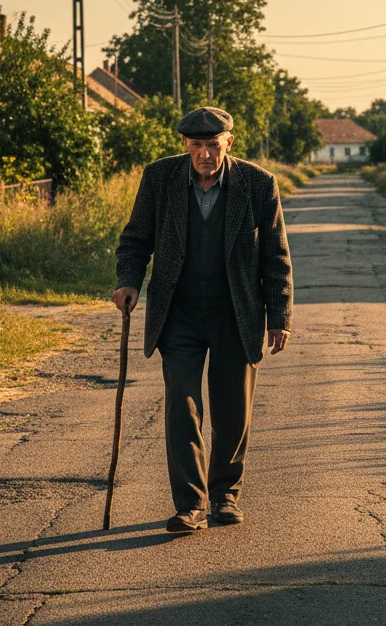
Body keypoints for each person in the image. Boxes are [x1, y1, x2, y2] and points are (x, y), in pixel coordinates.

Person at [113, 106, 293, 534]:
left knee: (232, 410)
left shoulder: (257, 183)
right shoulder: (160, 178)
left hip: (237, 311)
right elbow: (135, 240)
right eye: (197, 146)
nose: (205, 154)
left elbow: (276, 255)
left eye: (214, 145)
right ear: (186, 146)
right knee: (182, 407)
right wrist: (129, 282)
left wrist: (279, 315)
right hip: (179, 313)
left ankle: (225, 496)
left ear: (228, 143)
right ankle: (190, 505)